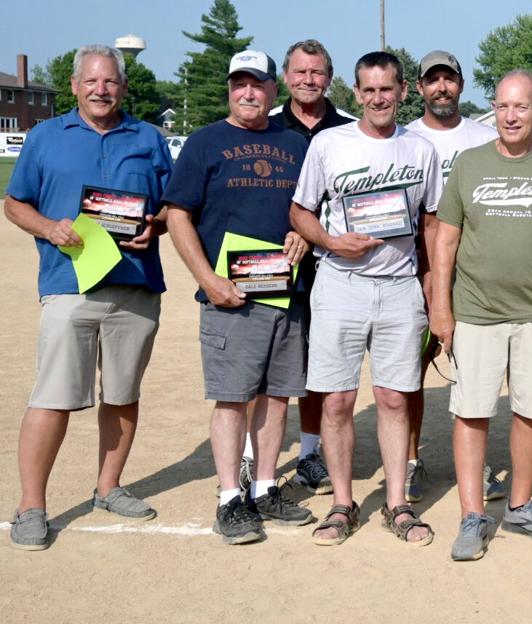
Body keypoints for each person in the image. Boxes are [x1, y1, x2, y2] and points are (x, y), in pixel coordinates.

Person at [4, 45, 170, 550]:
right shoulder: (45, 136)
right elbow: (14, 202)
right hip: (68, 284)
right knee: (53, 397)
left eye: (111, 82)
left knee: (122, 395)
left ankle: (108, 487)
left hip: (135, 285)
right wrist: (50, 229)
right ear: (75, 86)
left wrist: (153, 226)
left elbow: (170, 207)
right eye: (92, 82)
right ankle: (31, 505)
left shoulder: (148, 137)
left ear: (123, 87)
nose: (102, 90)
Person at [430, 69, 532, 561]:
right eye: (502, 106)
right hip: (475, 312)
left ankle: (519, 506)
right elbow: (446, 239)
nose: (511, 115)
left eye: (521, 107)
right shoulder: (469, 165)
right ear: (492, 109)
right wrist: (441, 306)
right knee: (472, 412)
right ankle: (472, 515)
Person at [289, 51, 441, 546]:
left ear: (403, 92)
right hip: (340, 283)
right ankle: (341, 503)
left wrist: (433, 286)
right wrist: (332, 242)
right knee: (336, 400)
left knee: (394, 397)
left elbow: (433, 224)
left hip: (400, 288)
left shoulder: (420, 150)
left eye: (387, 89)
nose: (378, 98)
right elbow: (300, 212)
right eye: (368, 90)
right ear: (355, 93)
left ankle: (397, 503)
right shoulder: (331, 144)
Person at [164, 50, 314, 545]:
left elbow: (311, 208)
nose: (248, 92)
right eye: (239, 84)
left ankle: (266, 486)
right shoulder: (206, 143)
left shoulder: (295, 144)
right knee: (232, 399)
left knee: (276, 397)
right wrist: (206, 279)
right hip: (229, 296)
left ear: (275, 91)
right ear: (231, 89)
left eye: (257, 84)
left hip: (282, 293)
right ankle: (231, 497)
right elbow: (178, 215)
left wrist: (306, 236)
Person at [403, 49, 503, 505]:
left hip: (474, 274)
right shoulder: (405, 137)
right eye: (432, 80)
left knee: (476, 375)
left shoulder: (485, 137)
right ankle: (408, 461)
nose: (441, 87)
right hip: (415, 271)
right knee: (408, 373)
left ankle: (477, 467)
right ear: (419, 87)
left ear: (461, 85)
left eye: (449, 79)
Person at [265, 38, 355, 497]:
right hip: (271, 262)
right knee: (277, 363)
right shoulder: (265, 127)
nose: (308, 80)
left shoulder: (348, 129)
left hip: (329, 263)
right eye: (299, 72)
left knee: (323, 364)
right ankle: (254, 460)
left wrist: (312, 228)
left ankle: (309, 454)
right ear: (286, 76)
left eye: (316, 72)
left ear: (330, 77)